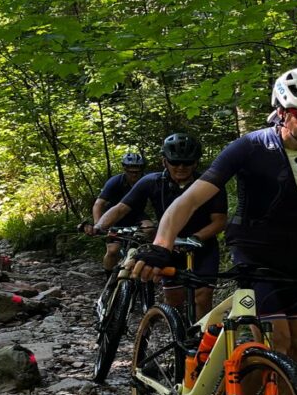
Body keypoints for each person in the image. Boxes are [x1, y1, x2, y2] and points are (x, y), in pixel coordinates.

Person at [132, 67, 297, 365]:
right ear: (281, 110)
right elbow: (188, 201)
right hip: (254, 252)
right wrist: (161, 246)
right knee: (276, 342)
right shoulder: (250, 147)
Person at [90, 133, 226, 318]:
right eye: (175, 162)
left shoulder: (210, 184)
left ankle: (201, 335)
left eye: (187, 163)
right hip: (168, 247)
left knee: (202, 296)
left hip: (203, 246)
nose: (181, 167)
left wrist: (195, 238)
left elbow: (219, 221)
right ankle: (178, 332)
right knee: (174, 299)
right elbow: (121, 208)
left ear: (195, 163)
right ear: (164, 161)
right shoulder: (151, 182)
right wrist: (99, 226)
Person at [92, 152, 148, 273]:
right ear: (125, 169)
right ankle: (109, 279)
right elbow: (99, 204)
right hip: (115, 218)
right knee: (113, 251)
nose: (134, 174)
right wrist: (98, 225)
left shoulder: (146, 180)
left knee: (150, 229)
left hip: (137, 215)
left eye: (137, 171)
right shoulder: (115, 182)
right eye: (131, 171)